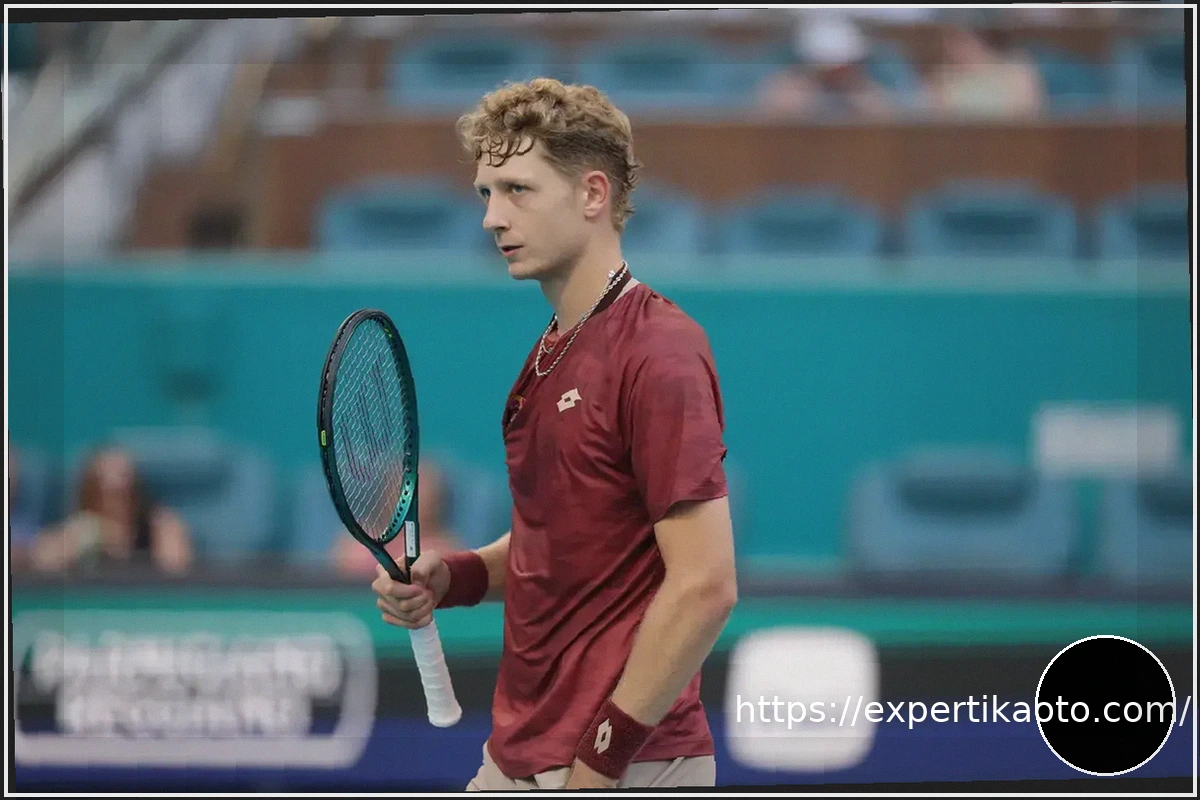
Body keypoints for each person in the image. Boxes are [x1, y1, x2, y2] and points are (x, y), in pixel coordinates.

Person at [371, 78, 737, 790]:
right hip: (520, 757)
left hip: (628, 766)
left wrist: (601, 761)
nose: (491, 217)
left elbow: (705, 585)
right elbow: (569, 543)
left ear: (593, 194)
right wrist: (455, 577)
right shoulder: (549, 353)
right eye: (486, 193)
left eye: (517, 190)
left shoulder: (659, 350)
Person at [32, 446, 192, 575]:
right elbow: (44, 559)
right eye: (104, 490)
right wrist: (89, 535)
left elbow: (177, 567)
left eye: (126, 483)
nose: (117, 490)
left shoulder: (158, 523)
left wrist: (162, 533)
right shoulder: (81, 530)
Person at [333, 461, 462, 577]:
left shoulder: (447, 553)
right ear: (384, 495)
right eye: (404, 488)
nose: (411, 499)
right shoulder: (358, 545)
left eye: (420, 491)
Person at [755, 13, 895, 119]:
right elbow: (761, 120)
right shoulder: (789, 90)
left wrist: (861, 99)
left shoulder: (865, 92)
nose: (835, 71)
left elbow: (890, 120)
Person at [927, 25, 1045, 119]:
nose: (953, 47)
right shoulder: (943, 77)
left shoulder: (1017, 72)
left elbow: (1028, 116)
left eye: (962, 39)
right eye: (950, 40)